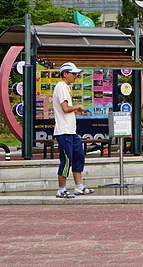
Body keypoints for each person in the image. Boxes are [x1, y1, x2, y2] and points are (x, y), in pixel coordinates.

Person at [52, 62, 94, 198]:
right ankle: (61, 189)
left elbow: (66, 110)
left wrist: (76, 110)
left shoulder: (65, 88)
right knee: (66, 159)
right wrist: (77, 107)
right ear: (65, 73)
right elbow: (65, 109)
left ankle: (79, 187)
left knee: (79, 156)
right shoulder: (61, 87)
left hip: (71, 131)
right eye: (73, 73)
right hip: (63, 131)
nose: (76, 76)